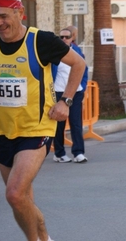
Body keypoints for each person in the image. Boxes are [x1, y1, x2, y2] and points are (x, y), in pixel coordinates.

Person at [0, 0, 86, 241]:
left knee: (14, 194)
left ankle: (40, 237)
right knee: (21, 199)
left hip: (36, 130)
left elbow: (78, 64)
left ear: (19, 13)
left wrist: (65, 101)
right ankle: (39, 237)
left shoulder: (40, 41)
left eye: (3, 16)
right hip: (1, 131)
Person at [53, 28, 89, 163]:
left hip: (75, 92)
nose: (64, 39)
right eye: (61, 37)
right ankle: (59, 153)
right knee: (59, 124)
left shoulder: (77, 52)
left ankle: (78, 152)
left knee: (76, 123)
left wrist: (83, 86)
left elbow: (83, 70)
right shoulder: (54, 53)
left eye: (66, 37)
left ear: (71, 38)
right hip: (58, 91)